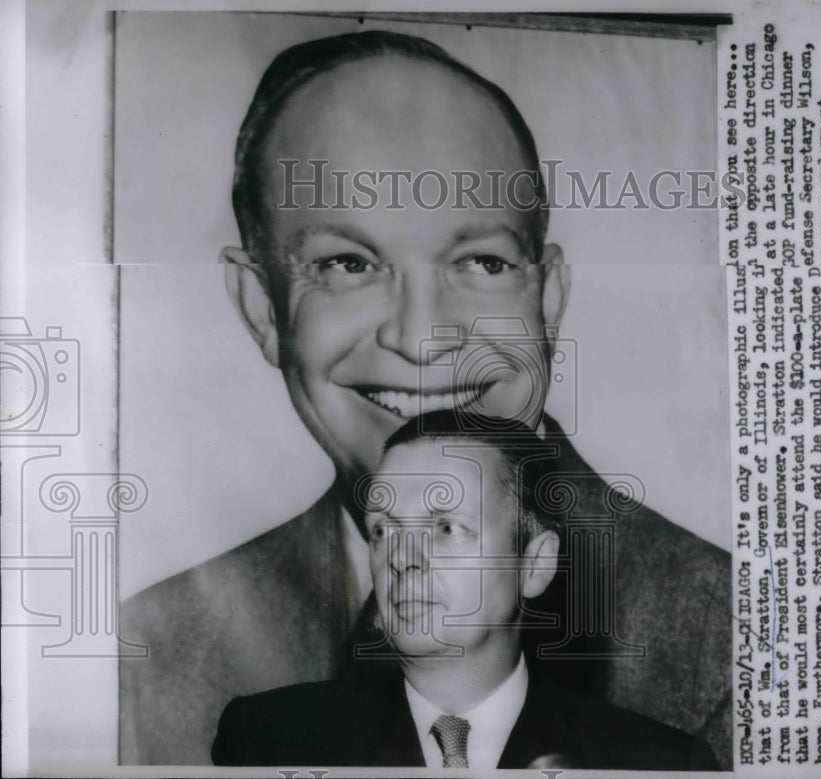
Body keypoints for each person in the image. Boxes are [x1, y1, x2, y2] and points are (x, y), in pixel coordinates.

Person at [121, 29, 732, 767]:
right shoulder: (151, 650)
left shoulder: (725, 623)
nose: (422, 339)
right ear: (261, 305)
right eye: (347, 262)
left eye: (481, 260)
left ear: (550, 296)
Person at [212, 411, 719, 770]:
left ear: (535, 564)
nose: (402, 558)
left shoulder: (658, 765)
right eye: (383, 530)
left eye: (445, 527)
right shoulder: (272, 742)